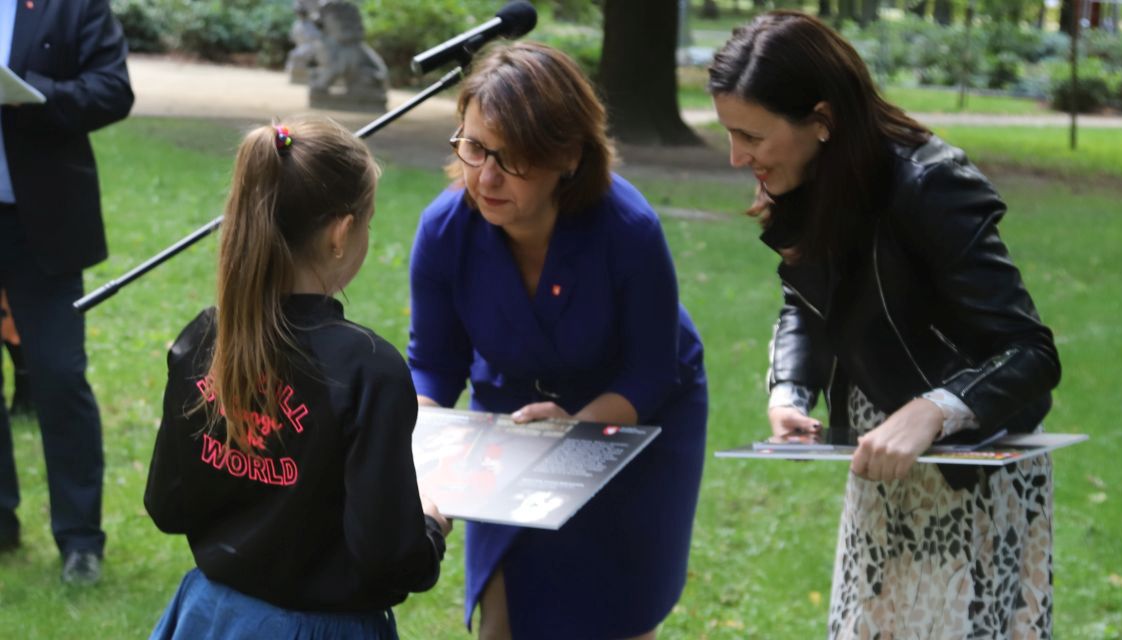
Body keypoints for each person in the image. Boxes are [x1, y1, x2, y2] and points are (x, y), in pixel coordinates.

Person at [708, 11, 1061, 639]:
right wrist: (789, 392)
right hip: (880, 471)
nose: (738, 158)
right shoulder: (807, 181)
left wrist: (932, 410)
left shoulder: (933, 183)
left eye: (752, 137)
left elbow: (1031, 353)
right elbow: (805, 302)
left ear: (821, 121)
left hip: (969, 477)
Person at [408, 42, 708, 640]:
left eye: (512, 158)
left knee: (616, 614)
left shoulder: (629, 230)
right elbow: (432, 368)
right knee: (505, 616)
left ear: (567, 155)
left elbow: (650, 372)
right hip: (515, 416)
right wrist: (419, 463)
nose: (485, 177)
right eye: (473, 148)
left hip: (639, 414)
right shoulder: (444, 231)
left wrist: (576, 427)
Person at [144, 117, 449, 639]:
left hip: (214, 618)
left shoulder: (203, 341)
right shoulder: (367, 370)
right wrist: (428, 527)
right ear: (341, 233)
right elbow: (390, 558)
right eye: (368, 221)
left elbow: (168, 505)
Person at [0, 0, 134, 583]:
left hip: (43, 223)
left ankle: (80, 538)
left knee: (57, 375)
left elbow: (112, 90)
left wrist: (34, 93)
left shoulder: (74, 5)